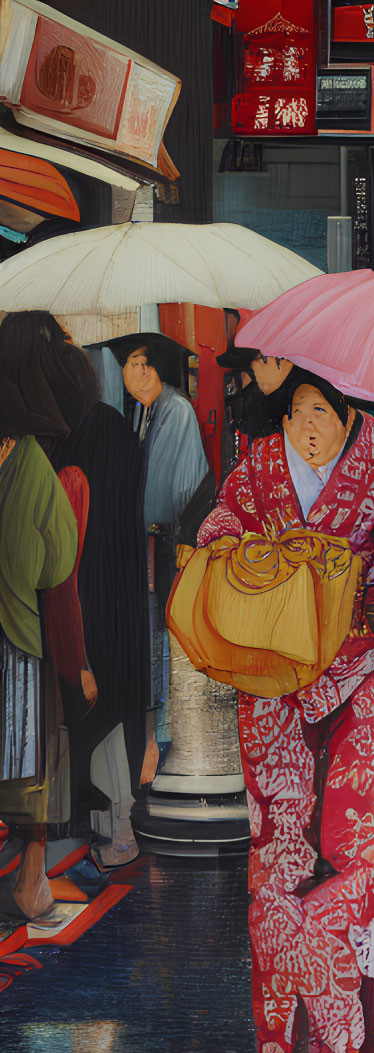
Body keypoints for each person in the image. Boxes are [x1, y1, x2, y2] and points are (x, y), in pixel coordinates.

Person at [190, 370, 374, 1053]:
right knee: (276, 856)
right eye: (298, 411)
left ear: (350, 415)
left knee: (362, 855)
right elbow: (216, 534)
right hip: (275, 681)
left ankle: (355, 1042)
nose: (308, 427)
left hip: (369, 677)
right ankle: (276, 1052)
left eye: (323, 412)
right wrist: (250, 567)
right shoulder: (258, 471)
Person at [2, 314, 146, 870]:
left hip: (69, 606)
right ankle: (103, 829)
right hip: (103, 599)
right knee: (97, 711)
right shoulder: (107, 426)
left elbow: (51, 558)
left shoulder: (40, 446)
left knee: (70, 717)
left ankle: (84, 831)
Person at [106, 334, 213, 784]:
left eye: (143, 364)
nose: (136, 373)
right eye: (130, 364)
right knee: (148, 646)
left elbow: (175, 493)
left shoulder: (177, 410)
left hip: (168, 549)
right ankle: (151, 744)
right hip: (148, 550)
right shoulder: (142, 413)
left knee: (164, 648)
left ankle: (161, 748)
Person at [0, 371, 83, 924]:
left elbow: (59, 563)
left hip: (19, 640)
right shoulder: (31, 471)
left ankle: (31, 884)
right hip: (18, 637)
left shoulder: (32, 473)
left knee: (29, 775)